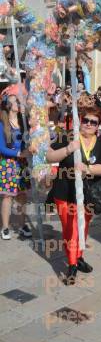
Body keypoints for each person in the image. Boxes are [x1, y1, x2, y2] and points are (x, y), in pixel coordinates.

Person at [46, 107, 101, 285]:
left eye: (93, 122)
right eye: (86, 120)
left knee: (82, 227)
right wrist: (68, 149)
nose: (88, 124)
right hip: (64, 192)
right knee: (69, 229)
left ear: (98, 125)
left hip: (89, 194)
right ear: (80, 120)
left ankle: (76, 260)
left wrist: (87, 169)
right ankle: (74, 261)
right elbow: (49, 156)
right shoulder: (68, 136)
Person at [0, 95, 32, 240]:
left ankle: (22, 225)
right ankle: (5, 227)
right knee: (7, 196)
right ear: (8, 105)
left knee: (22, 196)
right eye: (16, 101)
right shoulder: (2, 124)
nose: (19, 103)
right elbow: (1, 148)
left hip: (22, 163)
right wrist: (17, 152)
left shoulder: (23, 121)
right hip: (8, 163)